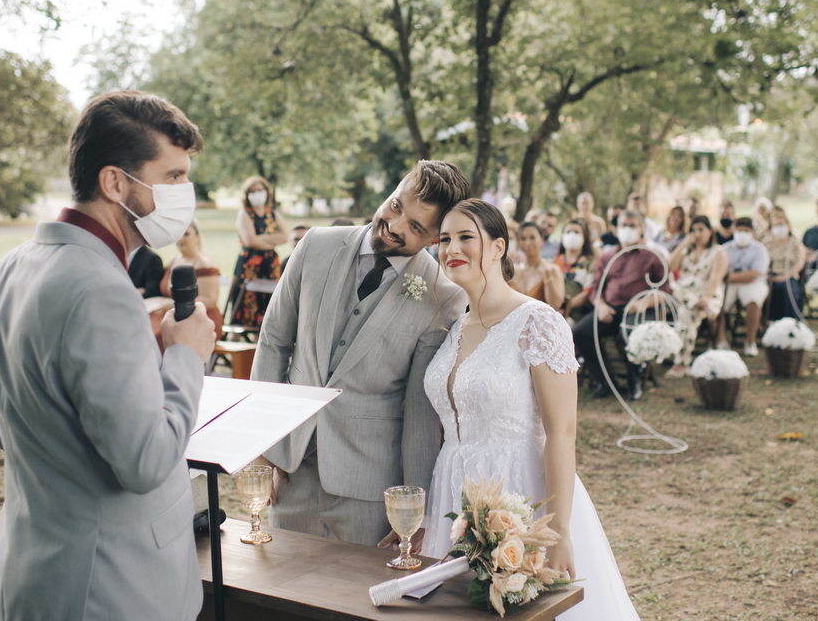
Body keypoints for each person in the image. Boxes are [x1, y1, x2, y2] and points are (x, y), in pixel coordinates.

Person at [0, 91, 216, 621]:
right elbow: (144, 463)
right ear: (115, 182)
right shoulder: (102, 290)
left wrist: (61, 456)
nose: (185, 193)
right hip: (110, 589)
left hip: (30, 575)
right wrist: (185, 356)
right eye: (173, 177)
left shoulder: (8, 268)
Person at [422, 199, 641, 621]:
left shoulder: (538, 322)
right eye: (444, 238)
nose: (452, 247)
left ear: (499, 247)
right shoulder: (453, 327)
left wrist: (557, 531)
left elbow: (562, 431)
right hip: (451, 496)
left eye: (467, 237)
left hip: (520, 494)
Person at [250, 161, 470, 546]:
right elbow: (273, 342)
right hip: (290, 471)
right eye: (396, 206)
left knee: (350, 603)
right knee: (279, 596)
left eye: (417, 227)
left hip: (369, 489)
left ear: (436, 238)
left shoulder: (443, 296)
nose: (396, 225)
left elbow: (419, 410)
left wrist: (414, 507)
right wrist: (261, 447)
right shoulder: (314, 244)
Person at [570, 210, 669, 400]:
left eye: (632, 225)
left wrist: (643, 303)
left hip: (638, 311)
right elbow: (596, 290)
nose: (627, 230)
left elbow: (664, 291)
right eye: (623, 225)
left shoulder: (652, 256)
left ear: (642, 229)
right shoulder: (607, 258)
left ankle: (634, 381)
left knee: (630, 333)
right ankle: (606, 380)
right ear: (616, 229)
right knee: (580, 333)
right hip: (610, 309)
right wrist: (601, 306)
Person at [666, 216, 728, 378]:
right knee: (670, 286)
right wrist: (684, 243)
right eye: (693, 230)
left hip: (705, 294)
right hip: (684, 294)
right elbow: (670, 266)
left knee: (684, 313)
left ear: (710, 231)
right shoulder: (687, 251)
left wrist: (707, 297)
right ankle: (696, 304)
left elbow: (716, 278)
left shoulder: (717, 252)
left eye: (701, 229)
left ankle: (682, 362)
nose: (697, 234)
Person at [230, 176, 287, 328]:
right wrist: (270, 240)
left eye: (260, 190)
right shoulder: (244, 214)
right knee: (245, 303)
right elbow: (250, 241)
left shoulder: (273, 214)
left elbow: (284, 237)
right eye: (253, 191)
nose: (257, 194)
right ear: (247, 194)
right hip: (249, 264)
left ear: (267, 192)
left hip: (270, 263)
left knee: (270, 300)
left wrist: (259, 238)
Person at [158, 220, 223, 345]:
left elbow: (210, 300)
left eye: (186, 234)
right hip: (173, 315)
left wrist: (173, 305)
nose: (181, 238)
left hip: (201, 318)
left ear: (197, 237)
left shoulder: (204, 264)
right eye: (179, 234)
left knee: (160, 334)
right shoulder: (174, 260)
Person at [713, 218, 769, 357]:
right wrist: (727, 278)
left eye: (746, 231)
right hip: (728, 285)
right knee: (716, 302)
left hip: (752, 283)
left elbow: (754, 274)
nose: (742, 234)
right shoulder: (724, 249)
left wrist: (730, 277)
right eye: (739, 231)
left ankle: (750, 341)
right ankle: (721, 340)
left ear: (752, 232)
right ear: (733, 231)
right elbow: (717, 270)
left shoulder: (760, 250)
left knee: (754, 300)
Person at [763, 206, 806, 321]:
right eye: (776, 225)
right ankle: (767, 322)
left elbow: (800, 261)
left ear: (788, 225)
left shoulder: (794, 241)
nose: (779, 227)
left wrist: (785, 276)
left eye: (782, 224)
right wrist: (767, 275)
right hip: (769, 277)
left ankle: (790, 323)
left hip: (789, 277)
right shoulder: (766, 242)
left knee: (787, 291)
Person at [512, 222, 565, 309]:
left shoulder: (552, 270)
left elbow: (556, 305)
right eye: (523, 238)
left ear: (541, 240)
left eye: (532, 238)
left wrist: (548, 278)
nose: (528, 243)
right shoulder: (513, 271)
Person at [555, 218, 595, 322]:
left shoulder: (591, 264)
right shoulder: (555, 261)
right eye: (568, 232)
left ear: (584, 238)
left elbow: (586, 294)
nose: (572, 235)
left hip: (577, 315)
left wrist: (565, 307)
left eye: (577, 232)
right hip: (553, 310)